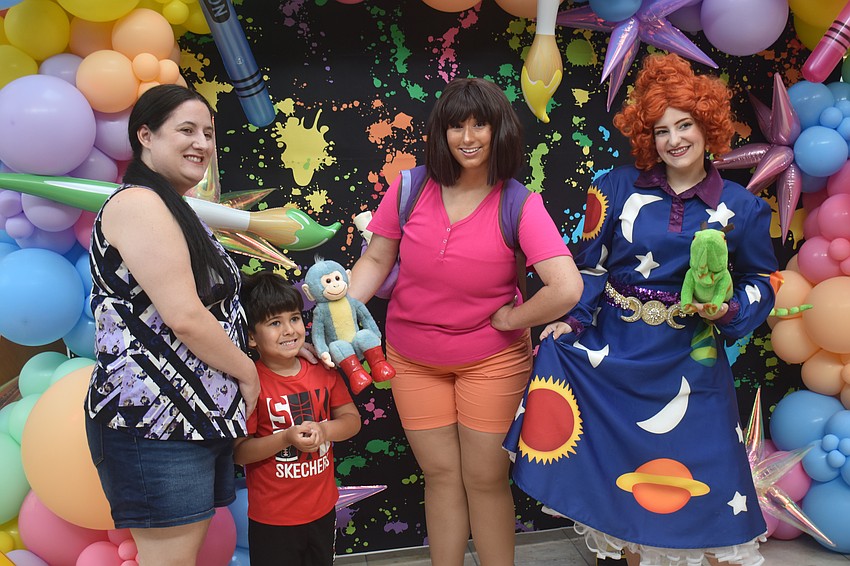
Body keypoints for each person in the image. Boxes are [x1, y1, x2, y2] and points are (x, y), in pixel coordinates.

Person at [503, 53, 777, 566]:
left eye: (684, 125)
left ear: (708, 125)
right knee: (630, 503)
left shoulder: (743, 207)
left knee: (704, 491)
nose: (673, 140)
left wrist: (728, 307)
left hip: (692, 365)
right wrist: (572, 320)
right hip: (618, 357)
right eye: (659, 130)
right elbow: (588, 267)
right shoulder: (611, 188)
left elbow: (762, 281)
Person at [349, 77, 583, 565]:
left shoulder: (519, 201)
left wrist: (514, 318)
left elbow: (566, 287)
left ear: (500, 131)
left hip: (491, 363)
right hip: (411, 360)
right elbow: (375, 260)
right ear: (442, 133)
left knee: (484, 479)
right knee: (440, 476)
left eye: (481, 123)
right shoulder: (409, 188)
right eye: (458, 125)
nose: (469, 136)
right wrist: (341, 310)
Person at [84, 84, 261, 566]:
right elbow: (184, 316)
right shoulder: (139, 204)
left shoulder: (177, 209)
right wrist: (248, 372)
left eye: (207, 132)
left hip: (196, 417)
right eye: (185, 130)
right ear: (145, 135)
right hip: (156, 421)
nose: (202, 143)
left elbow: (217, 309)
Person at [235, 270, 361, 566]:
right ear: (252, 337)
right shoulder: (251, 383)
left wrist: (323, 429)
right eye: (274, 323)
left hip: (322, 509)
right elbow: (239, 453)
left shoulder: (322, 370)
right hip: (273, 518)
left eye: (293, 318)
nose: (289, 330)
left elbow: (351, 420)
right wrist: (285, 438)